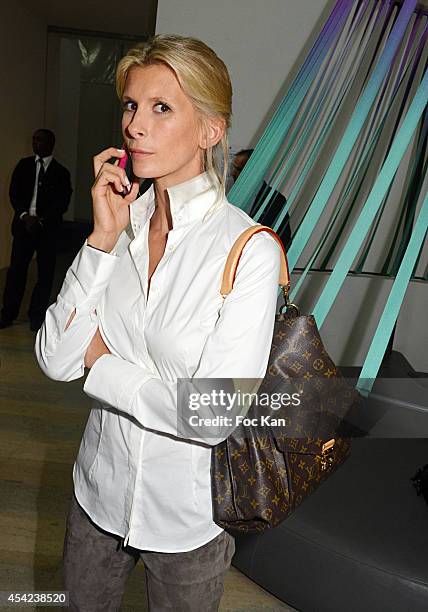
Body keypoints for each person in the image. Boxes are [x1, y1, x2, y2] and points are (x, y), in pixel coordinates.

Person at [35, 35, 280, 611]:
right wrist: (99, 238)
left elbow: (213, 413)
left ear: (210, 131)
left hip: (186, 518)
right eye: (130, 105)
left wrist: (101, 363)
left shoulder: (247, 249)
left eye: (161, 107)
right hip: (96, 493)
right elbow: (53, 358)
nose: (135, 125)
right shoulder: (118, 221)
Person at [0, 129, 72, 331]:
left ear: (51, 143)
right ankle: (7, 314)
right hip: (23, 227)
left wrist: (41, 220)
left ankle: (36, 316)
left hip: (46, 231)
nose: (35, 143)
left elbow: (62, 202)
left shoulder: (61, 173)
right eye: (33, 139)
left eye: (39, 140)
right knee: (16, 272)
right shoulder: (23, 166)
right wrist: (24, 215)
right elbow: (13, 193)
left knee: (45, 274)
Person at [231, 148, 292, 250]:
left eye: (238, 169)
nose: (233, 173)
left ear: (253, 171)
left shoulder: (275, 200)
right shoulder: (229, 196)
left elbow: (283, 239)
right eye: (233, 168)